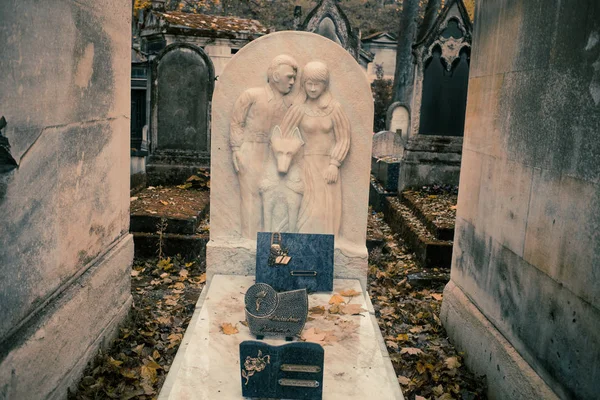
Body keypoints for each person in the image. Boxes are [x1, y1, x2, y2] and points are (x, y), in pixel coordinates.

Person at [278, 61, 350, 237]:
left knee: (324, 213)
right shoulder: (299, 109)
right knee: (305, 213)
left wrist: (335, 164)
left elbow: (344, 138)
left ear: (324, 85)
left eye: (316, 84)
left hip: (327, 170)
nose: (312, 88)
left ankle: (321, 253)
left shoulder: (334, 108)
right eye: (308, 84)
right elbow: (283, 137)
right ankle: (299, 251)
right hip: (305, 167)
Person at [229, 54, 299, 239]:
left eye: (294, 78)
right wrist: (236, 149)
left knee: (274, 199)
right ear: (276, 76)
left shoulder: (291, 104)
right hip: (251, 150)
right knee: (251, 197)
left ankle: (272, 243)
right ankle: (250, 240)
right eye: (289, 77)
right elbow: (237, 122)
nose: (292, 82)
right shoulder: (252, 95)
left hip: (277, 156)